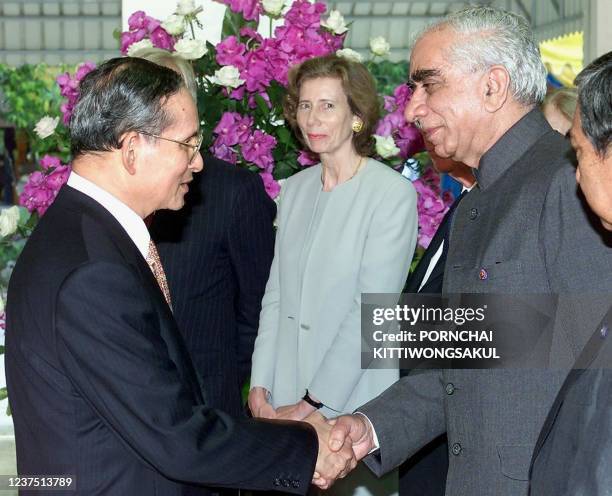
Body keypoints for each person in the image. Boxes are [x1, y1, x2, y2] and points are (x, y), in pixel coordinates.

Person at [5, 57, 356, 496]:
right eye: (188, 145)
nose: (199, 164)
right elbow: (177, 439)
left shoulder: (80, 232)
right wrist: (306, 447)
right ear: (133, 148)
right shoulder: (92, 270)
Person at [324, 6, 612, 496]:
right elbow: (471, 358)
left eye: (429, 85)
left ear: (492, 86)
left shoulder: (568, 183)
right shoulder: (483, 199)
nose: (413, 108)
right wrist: (370, 427)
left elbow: (594, 376)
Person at [248, 54, 418, 495]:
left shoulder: (391, 194)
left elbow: (372, 313)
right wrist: (261, 387)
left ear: (356, 116)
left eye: (328, 105)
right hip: (284, 399)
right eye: (304, 105)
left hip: (353, 404)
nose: (312, 118)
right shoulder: (295, 190)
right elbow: (276, 294)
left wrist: (313, 402)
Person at [136, 48, 276, 424]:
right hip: (133, 403)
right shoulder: (122, 193)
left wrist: (225, 380)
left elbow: (261, 304)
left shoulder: (234, 192)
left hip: (209, 406)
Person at [529, 50, 612, 496]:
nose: (413, 107)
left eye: (431, 85)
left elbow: (577, 323)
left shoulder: (556, 187)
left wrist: (398, 333)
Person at [399, 143, 474, 496]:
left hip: (452, 433)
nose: (419, 114)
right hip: (423, 421)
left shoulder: (496, 215)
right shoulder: (464, 205)